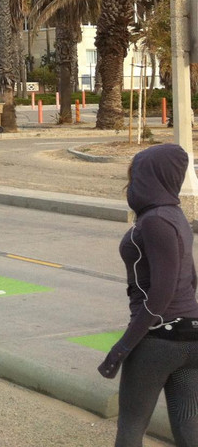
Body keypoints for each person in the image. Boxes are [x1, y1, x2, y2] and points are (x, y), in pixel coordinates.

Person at [98, 144, 198, 445]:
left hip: (157, 341)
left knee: (131, 427)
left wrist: (121, 349)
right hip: (191, 338)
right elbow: (191, 277)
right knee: (188, 426)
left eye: (136, 175)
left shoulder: (155, 221)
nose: (131, 184)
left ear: (150, 176)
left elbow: (161, 294)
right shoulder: (176, 216)